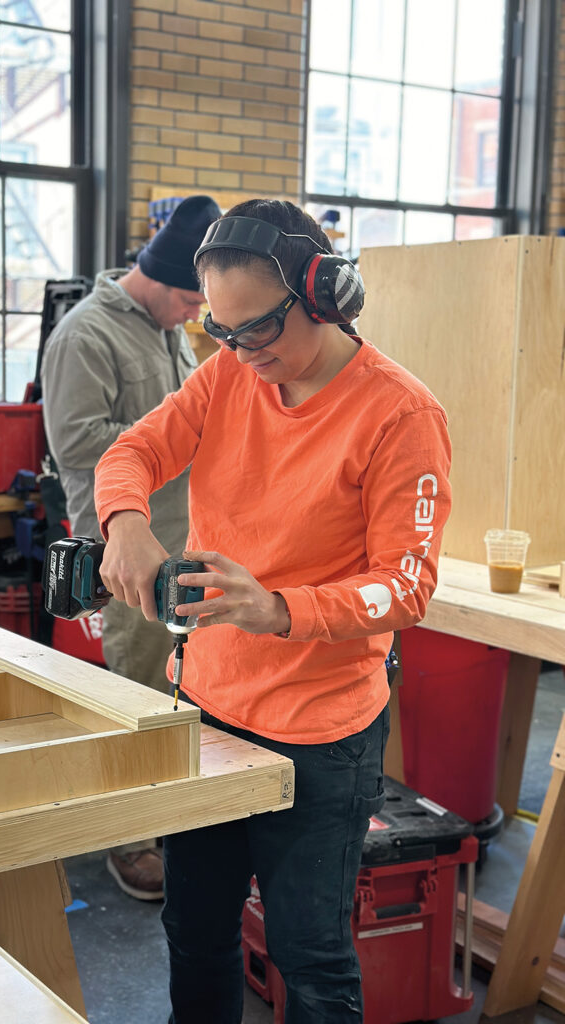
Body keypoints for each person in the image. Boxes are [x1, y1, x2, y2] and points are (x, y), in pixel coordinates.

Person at [92, 199, 452, 1022]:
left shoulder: (400, 415)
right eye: (218, 331)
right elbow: (133, 451)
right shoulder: (229, 373)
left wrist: (280, 609)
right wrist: (128, 524)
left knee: (310, 953)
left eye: (255, 329)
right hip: (211, 708)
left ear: (326, 294)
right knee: (197, 927)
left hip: (321, 734)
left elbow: (405, 586)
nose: (239, 351)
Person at [41, 194, 221, 901]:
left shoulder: (165, 328)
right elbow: (75, 443)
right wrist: (172, 433)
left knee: (185, 690)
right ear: (165, 285)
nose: (194, 321)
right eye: (190, 305)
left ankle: (173, 814)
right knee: (137, 690)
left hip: (188, 537)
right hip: (128, 547)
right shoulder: (84, 337)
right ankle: (131, 843)